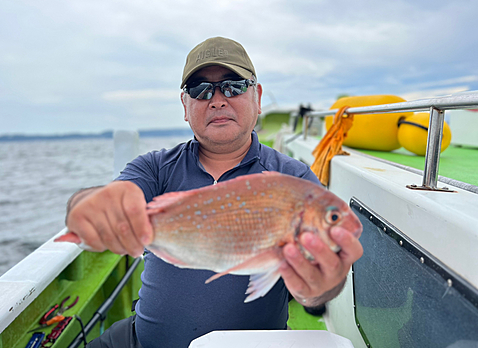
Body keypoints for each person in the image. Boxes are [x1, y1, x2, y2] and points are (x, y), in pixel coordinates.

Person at [65, 36, 364, 348]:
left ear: (257, 97)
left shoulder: (294, 178)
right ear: (185, 105)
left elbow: (315, 297)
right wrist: (88, 206)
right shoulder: (154, 167)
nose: (218, 99)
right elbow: (107, 197)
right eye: (200, 90)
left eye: (233, 85)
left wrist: (316, 289)